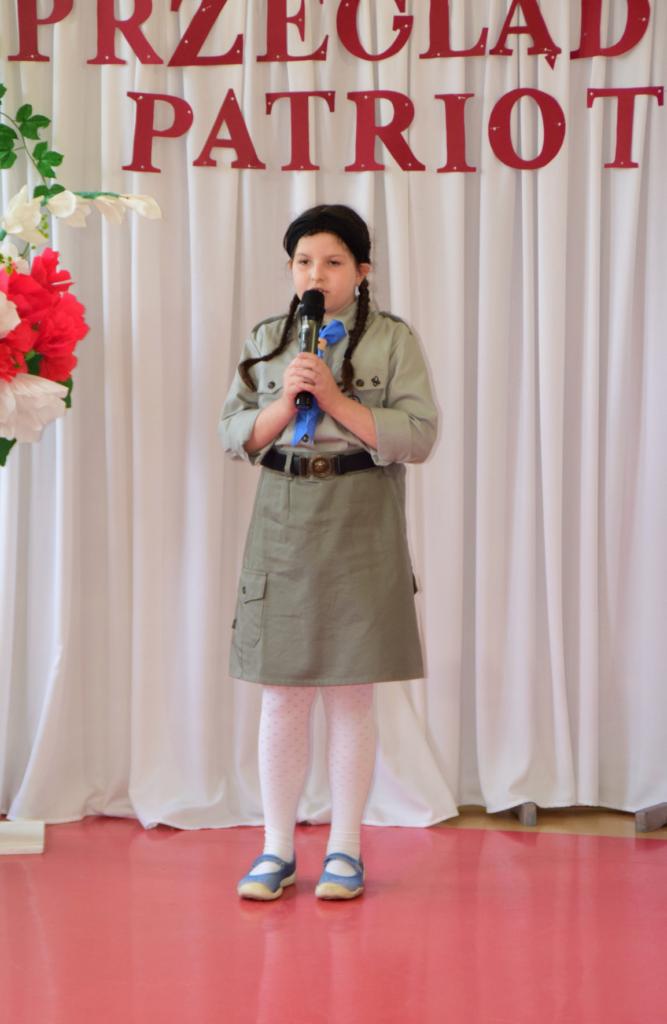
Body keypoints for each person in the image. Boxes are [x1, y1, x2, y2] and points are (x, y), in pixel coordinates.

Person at [219, 204, 437, 900]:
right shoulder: (268, 339)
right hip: (283, 515)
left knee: (350, 692)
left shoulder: (393, 340)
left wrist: (337, 401)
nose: (316, 275)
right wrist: (285, 403)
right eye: (304, 262)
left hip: (360, 512)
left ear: (362, 270)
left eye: (333, 262)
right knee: (281, 692)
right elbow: (234, 432)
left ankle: (345, 848)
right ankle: (276, 849)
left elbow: (419, 435)